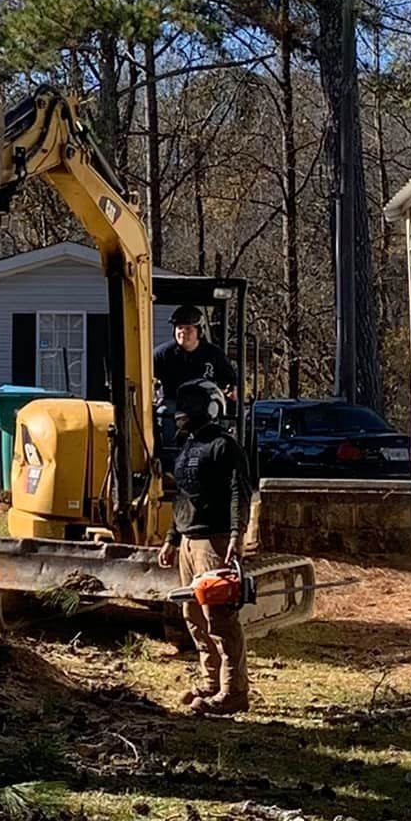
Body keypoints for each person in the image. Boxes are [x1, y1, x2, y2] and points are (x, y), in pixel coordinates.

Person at [157, 378, 252, 715]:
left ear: (208, 408)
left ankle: (234, 691)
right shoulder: (186, 449)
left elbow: (240, 492)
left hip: (215, 540)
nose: (178, 417)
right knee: (193, 615)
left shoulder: (225, 446)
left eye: (185, 411)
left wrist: (237, 534)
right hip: (188, 540)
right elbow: (182, 498)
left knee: (220, 617)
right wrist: (171, 539)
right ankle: (212, 683)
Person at [153, 305, 236, 409]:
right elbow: (145, 375)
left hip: (206, 405)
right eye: (179, 328)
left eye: (188, 328)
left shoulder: (214, 354)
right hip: (173, 404)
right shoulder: (162, 354)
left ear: (200, 331)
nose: (183, 332)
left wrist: (231, 391)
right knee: (164, 412)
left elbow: (230, 382)